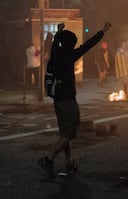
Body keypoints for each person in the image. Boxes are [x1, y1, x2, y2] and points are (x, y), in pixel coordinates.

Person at [37, 22, 112, 178]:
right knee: (71, 131)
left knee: (65, 132)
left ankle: (70, 161)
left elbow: (55, 42)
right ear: (71, 44)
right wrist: (102, 31)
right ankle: (49, 158)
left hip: (57, 100)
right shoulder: (70, 55)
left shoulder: (56, 52)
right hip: (67, 99)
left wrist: (59, 31)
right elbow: (89, 44)